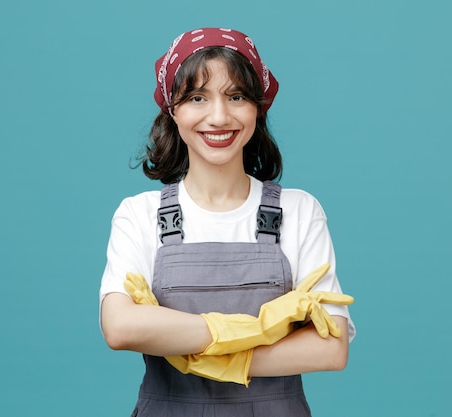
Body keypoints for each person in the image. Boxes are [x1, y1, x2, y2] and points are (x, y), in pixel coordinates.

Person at [99, 27, 356, 417]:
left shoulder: (299, 211)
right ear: (173, 109)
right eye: (197, 98)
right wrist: (245, 332)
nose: (218, 117)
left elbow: (331, 347)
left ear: (257, 107)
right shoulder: (139, 215)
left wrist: (215, 357)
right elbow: (119, 327)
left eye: (236, 96)